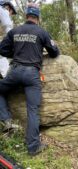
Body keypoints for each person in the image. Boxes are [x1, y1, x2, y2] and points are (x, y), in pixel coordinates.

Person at [0, 3, 60, 156]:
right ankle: (33, 147)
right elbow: (54, 52)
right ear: (37, 18)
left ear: (26, 16)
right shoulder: (42, 32)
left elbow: (2, 49)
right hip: (32, 74)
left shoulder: (15, 31)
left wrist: (15, 51)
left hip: (15, 71)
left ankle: (6, 120)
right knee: (33, 110)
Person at [0, 0, 17, 78]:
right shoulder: (3, 10)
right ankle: (7, 78)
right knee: (1, 56)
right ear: (8, 8)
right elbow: (9, 31)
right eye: (11, 13)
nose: (10, 15)